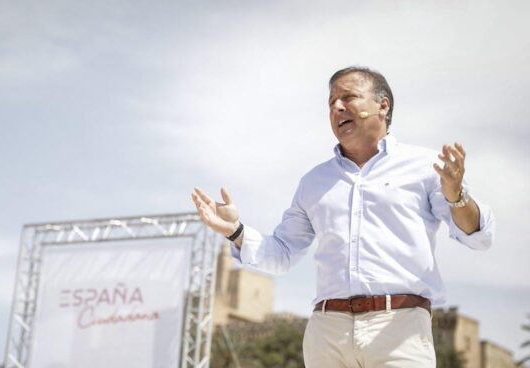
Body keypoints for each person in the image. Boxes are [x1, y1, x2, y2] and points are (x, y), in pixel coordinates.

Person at [191, 66, 495, 368]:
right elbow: (282, 254)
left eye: (348, 97)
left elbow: (478, 236)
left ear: (383, 105)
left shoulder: (427, 166)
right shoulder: (314, 182)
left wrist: (457, 196)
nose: (337, 108)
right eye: (331, 103)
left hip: (400, 330)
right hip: (328, 332)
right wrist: (235, 230)